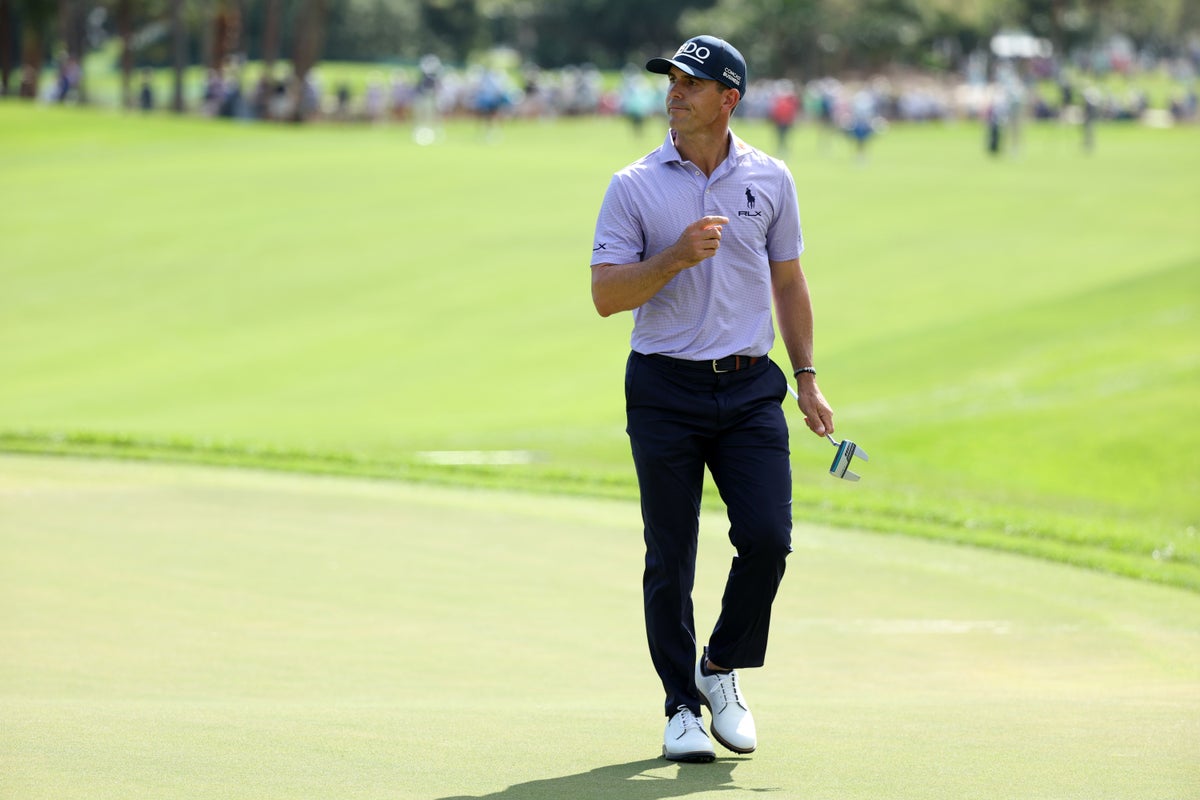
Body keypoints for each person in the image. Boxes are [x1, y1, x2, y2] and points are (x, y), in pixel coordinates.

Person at [589, 35, 835, 763]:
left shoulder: (770, 178)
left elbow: (788, 281)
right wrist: (673, 257)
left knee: (768, 538)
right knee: (672, 553)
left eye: (690, 83)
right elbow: (606, 296)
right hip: (664, 386)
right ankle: (679, 708)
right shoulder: (632, 185)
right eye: (670, 80)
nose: (674, 92)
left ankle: (720, 669)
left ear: (728, 99)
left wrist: (808, 376)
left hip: (752, 386)